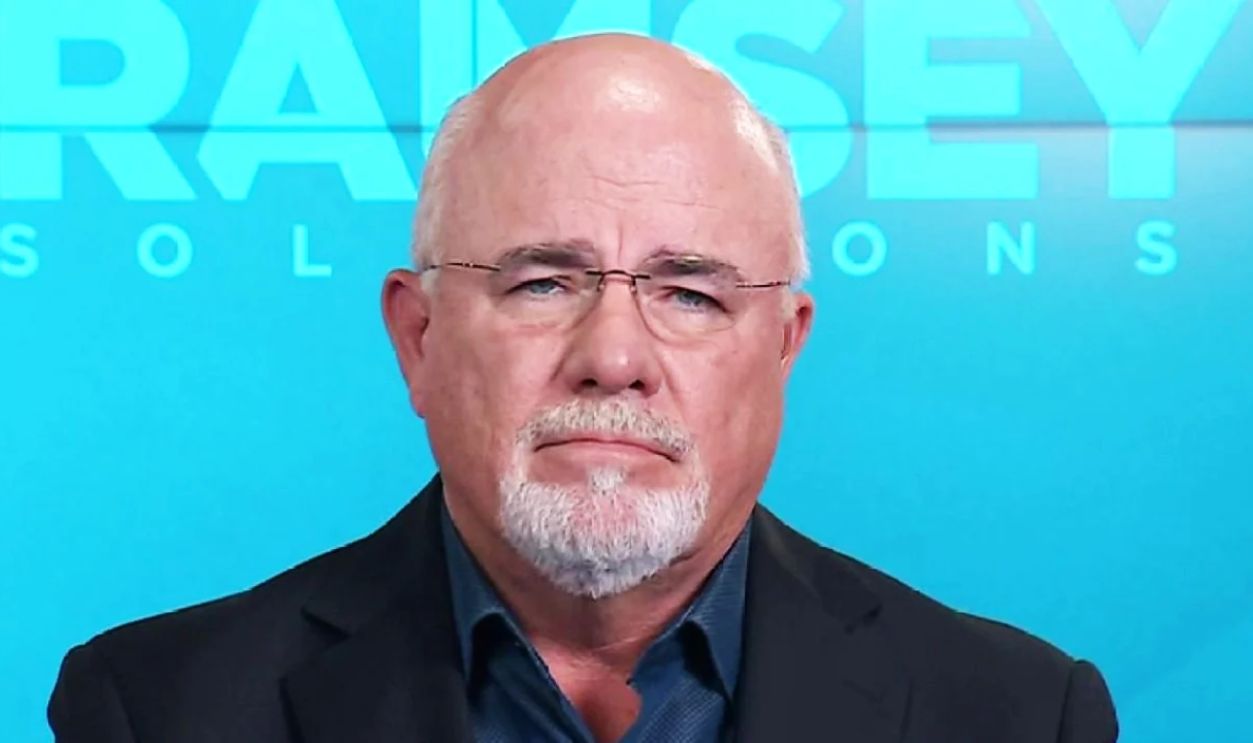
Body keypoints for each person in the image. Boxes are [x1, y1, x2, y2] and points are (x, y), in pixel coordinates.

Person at [48, 33, 1118, 743]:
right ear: (417, 339)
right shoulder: (155, 708)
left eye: (690, 292)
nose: (614, 352)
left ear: (782, 348)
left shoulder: (1016, 714)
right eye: (541, 279)